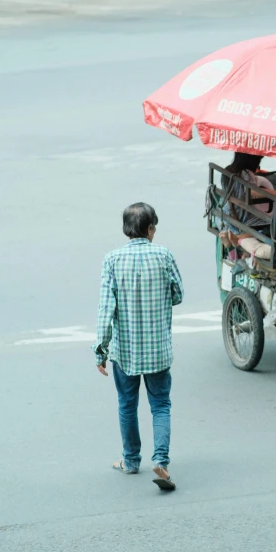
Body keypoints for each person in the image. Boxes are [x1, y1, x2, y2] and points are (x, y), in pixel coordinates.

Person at [93, 202, 183, 490]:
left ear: (126, 229)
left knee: (127, 405)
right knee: (160, 405)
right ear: (151, 228)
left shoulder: (112, 260)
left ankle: (131, 461)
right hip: (158, 349)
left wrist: (100, 350)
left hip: (125, 352)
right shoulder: (164, 255)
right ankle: (161, 462)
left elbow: (106, 310)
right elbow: (178, 294)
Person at [219, 152, 276, 248]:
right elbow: (252, 191)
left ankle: (229, 237)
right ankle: (237, 237)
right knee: (271, 226)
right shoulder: (247, 174)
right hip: (242, 216)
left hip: (227, 214)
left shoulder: (228, 170)